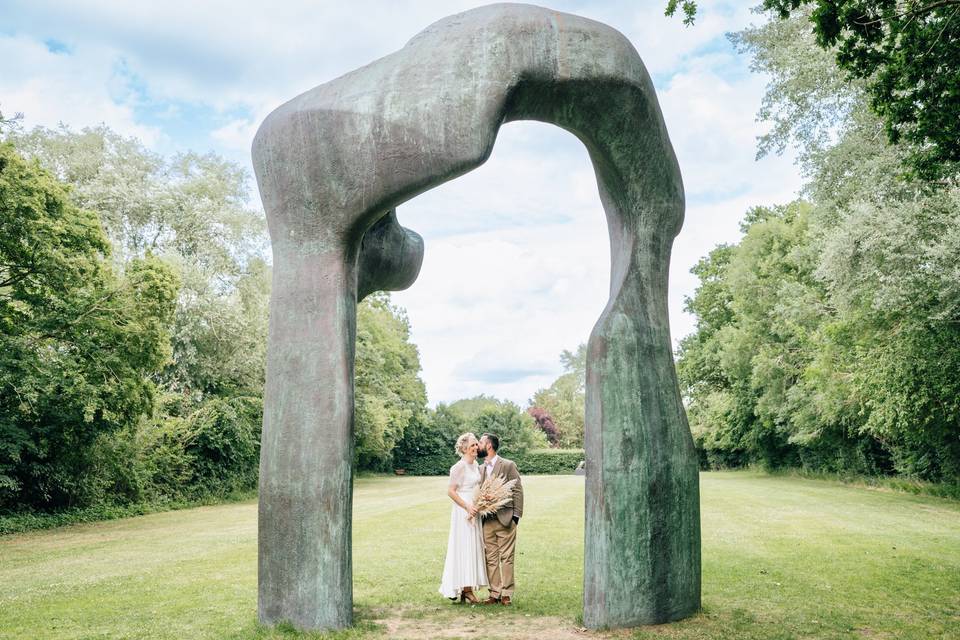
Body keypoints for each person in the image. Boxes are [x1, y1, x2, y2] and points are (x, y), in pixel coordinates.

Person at [438, 432, 489, 604]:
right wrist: (467, 506)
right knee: (463, 547)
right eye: (473, 445)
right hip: (463, 511)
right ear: (465, 448)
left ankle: (466, 588)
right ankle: (465, 590)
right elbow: (451, 491)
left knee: (472, 547)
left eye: (477, 444)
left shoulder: (475, 465)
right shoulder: (458, 467)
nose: (476, 447)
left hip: (474, 508)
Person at [478, 432, 524, 606]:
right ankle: (494, 593)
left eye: (481, 442)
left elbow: (518, 490)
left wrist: (516, 516)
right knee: (490, 558)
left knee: (507, 557)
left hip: (506, 518)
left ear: (489, 445)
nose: (478, 445)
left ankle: (507, 593)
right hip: (486, 521)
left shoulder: (508, 465)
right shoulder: (480, 469)